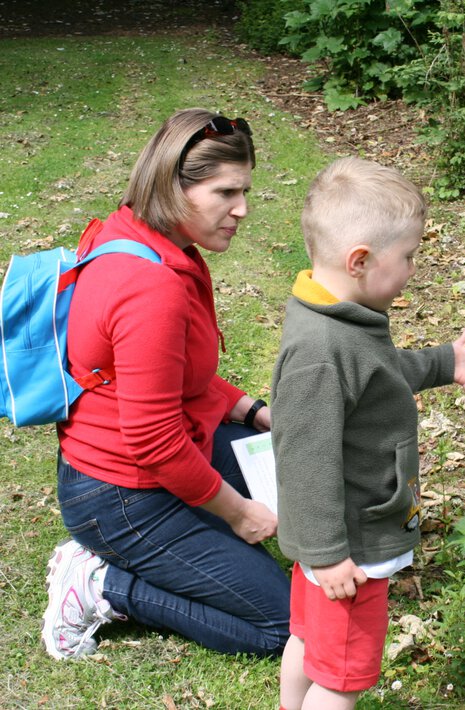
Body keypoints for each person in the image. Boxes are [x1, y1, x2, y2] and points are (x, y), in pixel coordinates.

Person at [41, 108, 290, 660]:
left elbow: (176, 377)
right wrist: (239, 514)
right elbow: (154, 439)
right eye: (226, 192)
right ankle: (102, 586)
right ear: (174, 187)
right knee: (288, 626)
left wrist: (254, 413)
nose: (242, 210)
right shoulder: (150, 284)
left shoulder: (141, 236)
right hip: (124, 497)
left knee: (295, 471)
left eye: (245, 191)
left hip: (159, 461)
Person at [271, 157, 465, 710]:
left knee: (309, 643)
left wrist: (446, 363)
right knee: (342, 677)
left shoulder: (336, 317)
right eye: (408, 257)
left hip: (335, 543)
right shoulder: (321, 352)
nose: (412, 270)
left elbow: (379, 376)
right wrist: (329, 555)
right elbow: (304, 457)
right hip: (352, 546)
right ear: (361, 260)